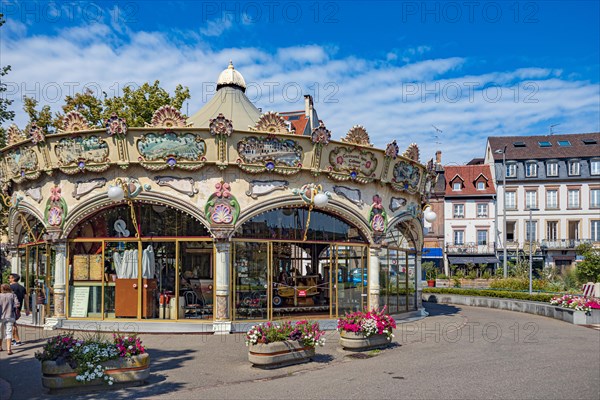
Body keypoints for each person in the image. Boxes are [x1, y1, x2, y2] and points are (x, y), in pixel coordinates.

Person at [0, 283, 20, 355]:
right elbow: (17, 304)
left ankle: (0, 347)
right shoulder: (13, 295)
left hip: (1, 316)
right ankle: (9, 350)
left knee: (0, 332)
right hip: (10, 316)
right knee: (9, 332)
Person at [8, 273, 27, 346]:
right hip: (18, 308)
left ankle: (18, 340)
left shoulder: (9, 287)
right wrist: (27, 308)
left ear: (13, 279)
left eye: (9, 278)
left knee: (13, 324)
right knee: (13, 323)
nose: (9, 279)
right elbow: (26, 298)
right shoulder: (22, 288)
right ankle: (13, 339)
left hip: (10, 308)